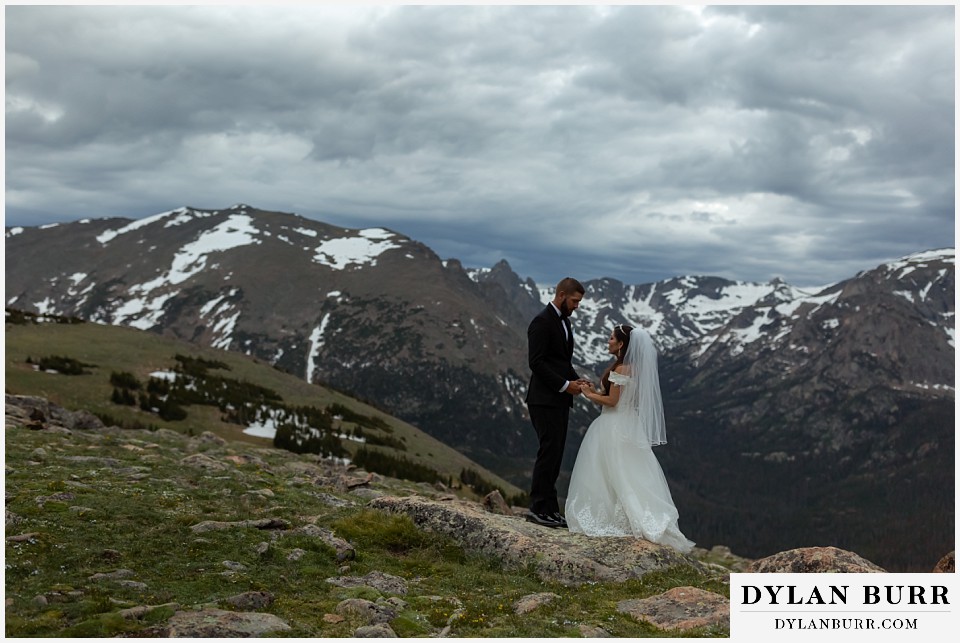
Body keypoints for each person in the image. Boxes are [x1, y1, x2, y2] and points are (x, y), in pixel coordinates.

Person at [565, 324, 694, 552]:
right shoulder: (629, 367)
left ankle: (621, 518)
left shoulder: (623, 368)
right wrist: (597, 389)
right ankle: (625, 515)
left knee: (615, 473)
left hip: (614, 424)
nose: (608, 341)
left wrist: (589, 394)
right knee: (626, 472)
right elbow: (618, 396)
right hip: (626, 424)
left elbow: (613, 402)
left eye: (611, 338)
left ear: (621, 343)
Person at [524, 277, 586, 529]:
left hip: (558, 400)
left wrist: (576, 380)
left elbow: (559, 361)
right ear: (561, 295)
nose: (577, 306)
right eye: (575, 301)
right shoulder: (541, 322)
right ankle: (538, 509)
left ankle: (550, 509)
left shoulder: (565, 322)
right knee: (548, 453)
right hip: (543, 400)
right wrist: (564, 386)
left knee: (555, 454)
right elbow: (536, 363)